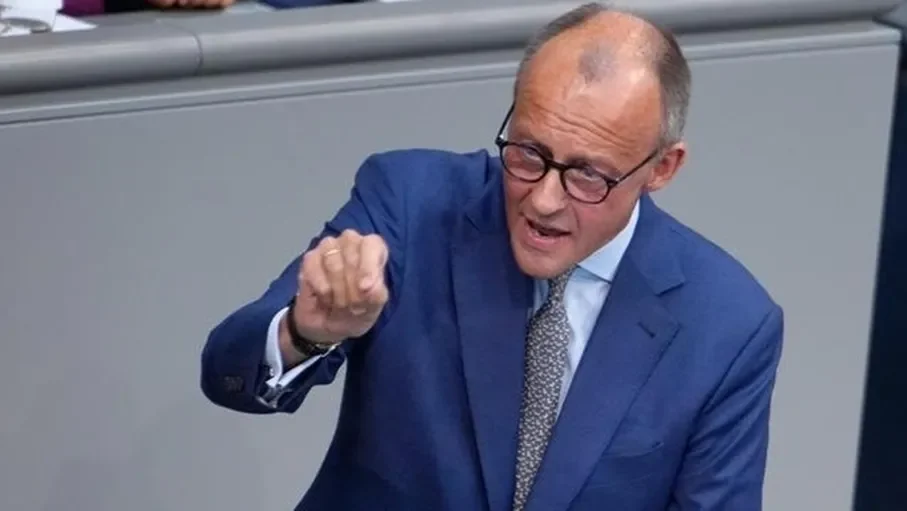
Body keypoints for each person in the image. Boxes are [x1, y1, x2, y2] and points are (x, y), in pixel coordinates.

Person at [201, 3, 785, 510]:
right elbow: (228, 376)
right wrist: (306, 333)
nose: (544, 200)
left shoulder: (728, 324)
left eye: (587, 174)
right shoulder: (411, 206)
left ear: (662, 168)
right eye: (528, 152)